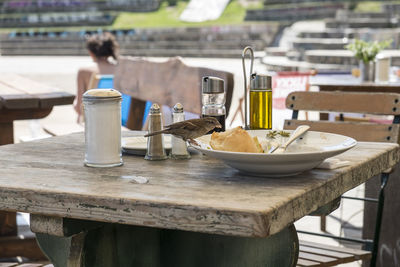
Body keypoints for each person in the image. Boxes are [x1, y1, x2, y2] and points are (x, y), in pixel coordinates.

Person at [74, 32, 119, 122]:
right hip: (117, 120)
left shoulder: (84, 72)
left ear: (91, 52)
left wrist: (74, 104)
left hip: (94, 123)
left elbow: (79, 108)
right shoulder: (121, 70)